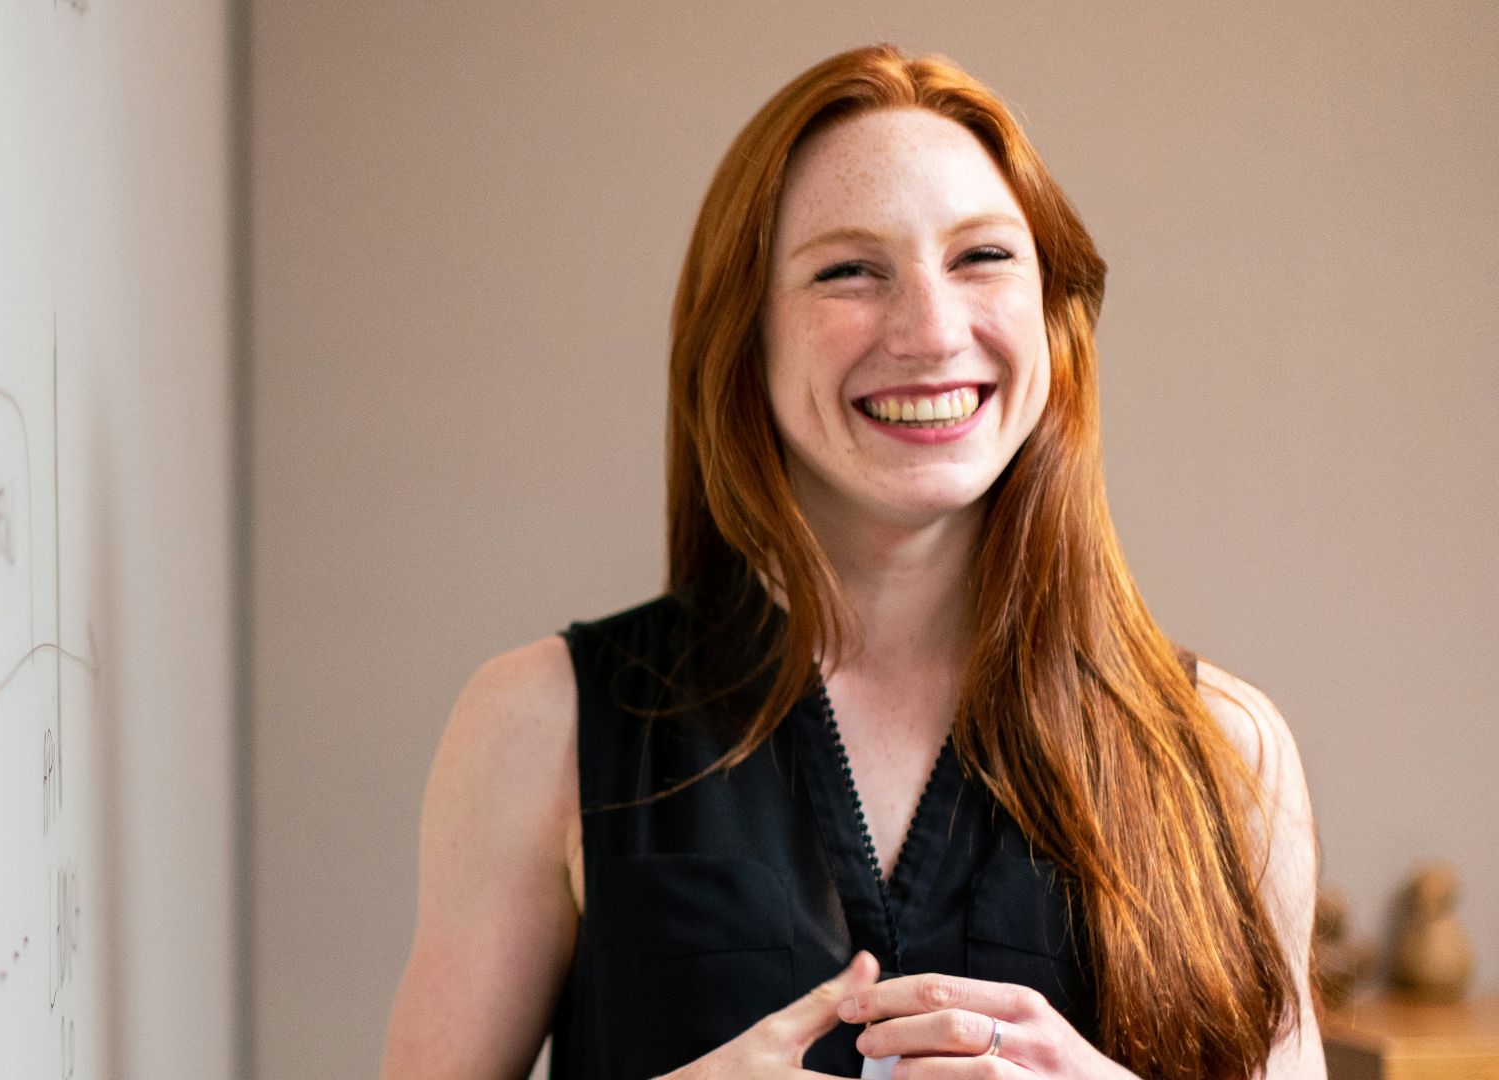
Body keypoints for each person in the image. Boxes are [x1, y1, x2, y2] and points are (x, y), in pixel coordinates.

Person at [382, 43, 1321, 1080]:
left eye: (983, 258)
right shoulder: (538, 727)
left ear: (1052, 315)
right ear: (744, 338)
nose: (930, 330)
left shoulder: (1228, 755)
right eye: (848, 272)